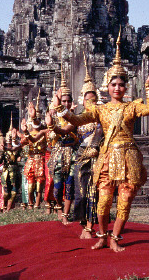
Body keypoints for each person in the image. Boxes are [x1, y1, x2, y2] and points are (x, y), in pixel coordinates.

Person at [53, 30, 149, 251]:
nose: (117, 88)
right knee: (103, 202)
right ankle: (103, 235)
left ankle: (115, 237)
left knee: (125, 200)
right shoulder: (99, 110)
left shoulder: (131, 107)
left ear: (126, 87)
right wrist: (59, 107)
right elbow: (75, 119)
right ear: (107, 85)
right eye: (113, 84)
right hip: (107, 157)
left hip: (128, 157)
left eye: (121, 84)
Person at [70, 56, 103, 239]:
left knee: (93, 192)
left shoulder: (101, 117)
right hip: (81, 156)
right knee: (81, 192)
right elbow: (65, 129)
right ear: (82, 101)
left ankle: (90, 226)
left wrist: (97, 148)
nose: (90, 103)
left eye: (93, 99)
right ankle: (84, 223)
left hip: (97, 155)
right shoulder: (79, 118)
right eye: (87, 99)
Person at [45, 63, 80, 225]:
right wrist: (51, 122)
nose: (65, 104)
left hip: (72, 154)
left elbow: (65, 130)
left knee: (70, 184)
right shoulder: (52, 117)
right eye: (63, 101)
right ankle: (58, 206)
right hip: (58, 155)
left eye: (68, 101)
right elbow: (49, 134)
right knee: (58, 187)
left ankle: (66, 214)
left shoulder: (74, 118)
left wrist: (54, 125)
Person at [20, 92, 50, 209]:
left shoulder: (43, 131)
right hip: (31, 159)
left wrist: (34, 118)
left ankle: (37, 204)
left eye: (36, 119)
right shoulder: (28, 133)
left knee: (39, 185)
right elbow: (21, 144)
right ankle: (31, 203)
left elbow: (38, 125)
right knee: (31, 185)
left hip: (41, 159)